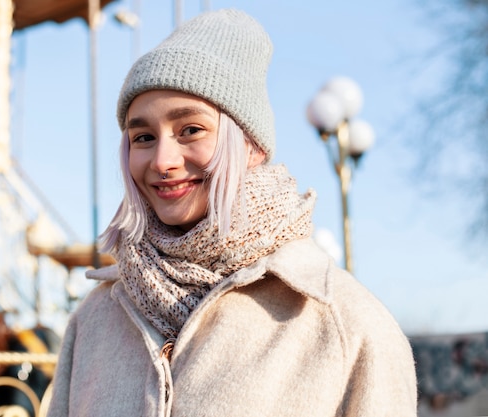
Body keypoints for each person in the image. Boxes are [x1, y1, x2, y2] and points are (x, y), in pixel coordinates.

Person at [47, 8, 417, 417]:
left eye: (191, 130)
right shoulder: (96, 320)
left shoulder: (343, 323)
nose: (163, 160)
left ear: (251, 146)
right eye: (143, 137)